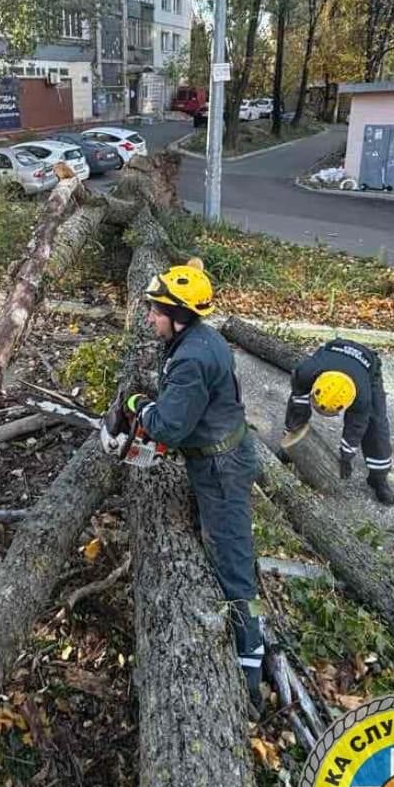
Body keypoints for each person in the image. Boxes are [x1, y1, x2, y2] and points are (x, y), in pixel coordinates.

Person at [110, 258, 264, 706]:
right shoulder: (197, 339)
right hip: (216, 455)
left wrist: (137, 405)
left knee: (233, 562)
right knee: (226, 548)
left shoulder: (191, 357)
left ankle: (251, 665)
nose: (150, 317)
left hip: (221, 469)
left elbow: (169, 428)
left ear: (179, 315)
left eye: (156, 311)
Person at [283, 339, 394, 505]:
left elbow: (355, 428)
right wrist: (293, 429)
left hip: (368, 365)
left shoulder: (361, 397)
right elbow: (298, 400)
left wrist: (346, 457)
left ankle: (379, 477)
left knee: (376, 424)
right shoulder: (306, 372)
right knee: (296, 411)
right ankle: (288, 451)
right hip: (335, 350)